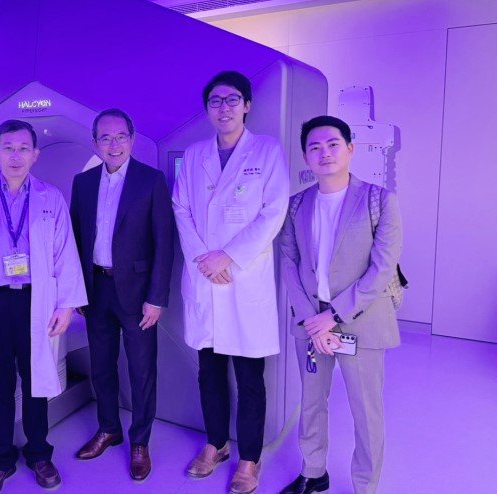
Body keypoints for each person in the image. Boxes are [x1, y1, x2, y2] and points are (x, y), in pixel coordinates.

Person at [0, 120, 87, 494]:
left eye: (24, 148)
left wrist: (66, 305)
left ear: (35, 154)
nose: (16, 155)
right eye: (8, 147)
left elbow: (64, 253)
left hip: (37, 301)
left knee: (37, 379)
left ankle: (39, 454)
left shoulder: (51, 198)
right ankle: (0, 460)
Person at [171, 71, 289, 493]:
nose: (224, 108)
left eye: (232, 99)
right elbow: (180, 208)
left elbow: (273, 211)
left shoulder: (267, 151)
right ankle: (216, 444)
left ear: (247, 106)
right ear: (208, 109)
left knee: (250, 377)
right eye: (215, 101)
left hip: (243, 277)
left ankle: (249, 459)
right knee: (209, 372)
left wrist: (228, 257)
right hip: (205, 276)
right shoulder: (195, 154)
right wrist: (205, 260)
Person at [278, 116, 402, 494]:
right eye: (314, 147)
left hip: (360, 322)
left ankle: (365, 485)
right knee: (311, 403)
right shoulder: (296, 205)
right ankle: (314, 471)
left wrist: (332, 316)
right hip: (311, 324)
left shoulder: (379, 200)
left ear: (350, 148)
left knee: (366, 411)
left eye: (333, 144)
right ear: (306, 157)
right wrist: (311, 319)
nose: (325, 153)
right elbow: (288, 262)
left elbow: (382, 268)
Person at [69, 109, 174, 480]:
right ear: (95, 143)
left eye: (120, 137)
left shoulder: (151, 180)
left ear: (132, 139)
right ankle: (109, 428)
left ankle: (140, 441)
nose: (113, 144)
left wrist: (156, 297)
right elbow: (75, 240)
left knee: (142, 370)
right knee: (101, 366)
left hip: (137, 294)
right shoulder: (83, 183)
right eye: (105, 138)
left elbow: (165, 243)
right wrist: (76, 290)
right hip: (96, 289)